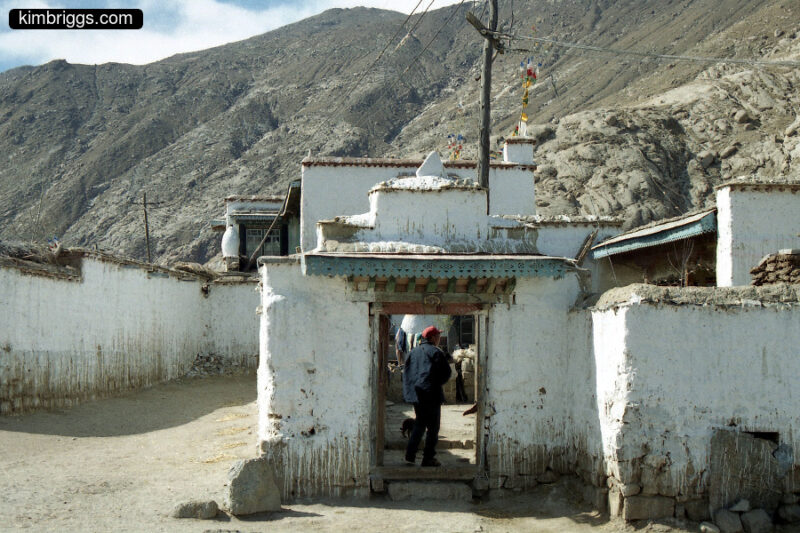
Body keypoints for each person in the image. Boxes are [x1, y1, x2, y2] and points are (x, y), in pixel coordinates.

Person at [402, 325, 451, 467]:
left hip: (417, 395)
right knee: (433, 428)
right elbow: (446, 373)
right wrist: (435, 385)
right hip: (432, 395)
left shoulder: (413, 352)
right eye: (438, 336)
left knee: (419, 424)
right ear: (433, 338)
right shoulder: (436, 352)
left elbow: (407, 374)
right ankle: (428, 458)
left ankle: (410, 456)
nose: (439, 338)